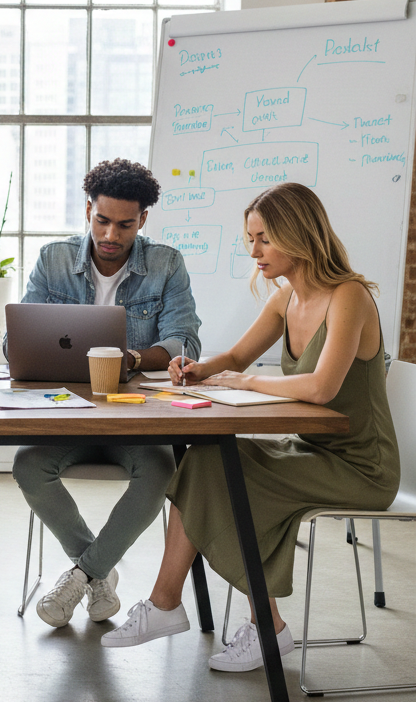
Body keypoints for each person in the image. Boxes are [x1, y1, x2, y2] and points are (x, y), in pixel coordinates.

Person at [102, 182, 400, 673]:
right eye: (250, 238)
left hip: (362, 467)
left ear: (299, 234)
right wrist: (198, 368)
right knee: (206, 457)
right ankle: (174, 605)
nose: (254, 251)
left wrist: (246, 380)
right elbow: (237, 355)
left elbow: (322, 387)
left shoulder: (349, 297)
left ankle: (252, 625)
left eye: (264, 238)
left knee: (227, 478)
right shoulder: (287, 299)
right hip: (310, 450)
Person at [8, 158, 201, 628]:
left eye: (125, 224)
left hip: (132, 413)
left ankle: (80, 574)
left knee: (159, 467)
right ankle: (97, 573)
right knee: (29, 465)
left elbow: (185, 341)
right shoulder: (53, 259)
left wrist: (131, 359)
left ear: (144, 220)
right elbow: (18, 338)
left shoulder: (166, 263)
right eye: (102, 220)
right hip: (65, 413)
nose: (111, 235)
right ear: (88, 210)